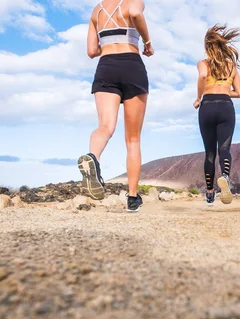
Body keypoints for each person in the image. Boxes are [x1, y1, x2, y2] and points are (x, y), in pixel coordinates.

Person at [77, 0, 153, 212]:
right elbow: (136, 14)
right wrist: (147, 41)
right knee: (133, 139)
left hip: (106, 67)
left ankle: (92, 157)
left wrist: (109, 43)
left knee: (105, 126)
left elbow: (92, 51)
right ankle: (132, 197)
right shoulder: (132, 2)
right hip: (131, 65)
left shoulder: (97, 10)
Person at [193, 25, 240, 206]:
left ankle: (209, 193)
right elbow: (238, 93)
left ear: (207, 47)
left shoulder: (203, 63)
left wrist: (199, 97)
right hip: (225, 106)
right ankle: (225, 177)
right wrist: (223, 89)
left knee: (209, 153)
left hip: (206, 106)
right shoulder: (231, 66)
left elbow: (202, 76)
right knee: (224, 149)